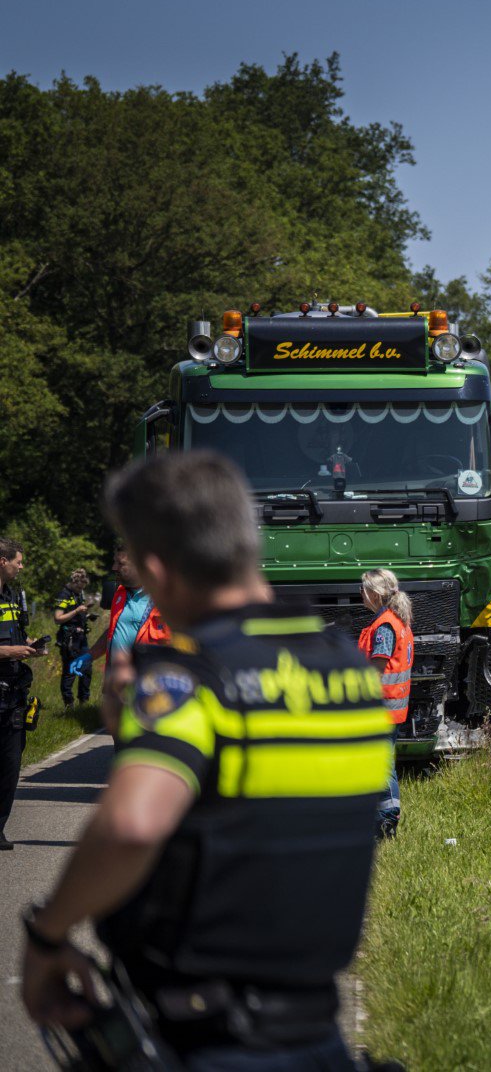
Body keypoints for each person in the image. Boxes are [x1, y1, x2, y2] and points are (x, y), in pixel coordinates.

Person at [20, 451, 393, 1066]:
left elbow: (135, 823)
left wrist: (48, 934)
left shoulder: (191, 678)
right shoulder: (349, 671)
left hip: (203, 1037)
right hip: (315, 1030)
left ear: (157, 570)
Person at [0, 538, 48, 850]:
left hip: (13, 695)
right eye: (18, 560)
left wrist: (28, 645)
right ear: (2, 561)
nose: (22, 566)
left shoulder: (13, 595)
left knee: (9, 766)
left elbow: (13, 635)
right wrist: (12, 651)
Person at [359, 568, 415, 838]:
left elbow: (377, 666)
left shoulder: (384, 626)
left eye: (363, 589)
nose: (361, 594)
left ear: (375, 593)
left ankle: (387, 820)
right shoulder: (397, 621)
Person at [53, 568, 95, 706]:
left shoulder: (79, 594)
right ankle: (68, 703)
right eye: (79, 587)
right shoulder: (64, 595)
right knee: (70, 670)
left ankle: (84, 701)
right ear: (73, 583)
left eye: (83, 588)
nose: (80, 590)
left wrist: (87, 615)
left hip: (81, 637)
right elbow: (58, 618)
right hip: (69, 638)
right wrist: (77, 610)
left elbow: (76, 615)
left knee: (86, 667)